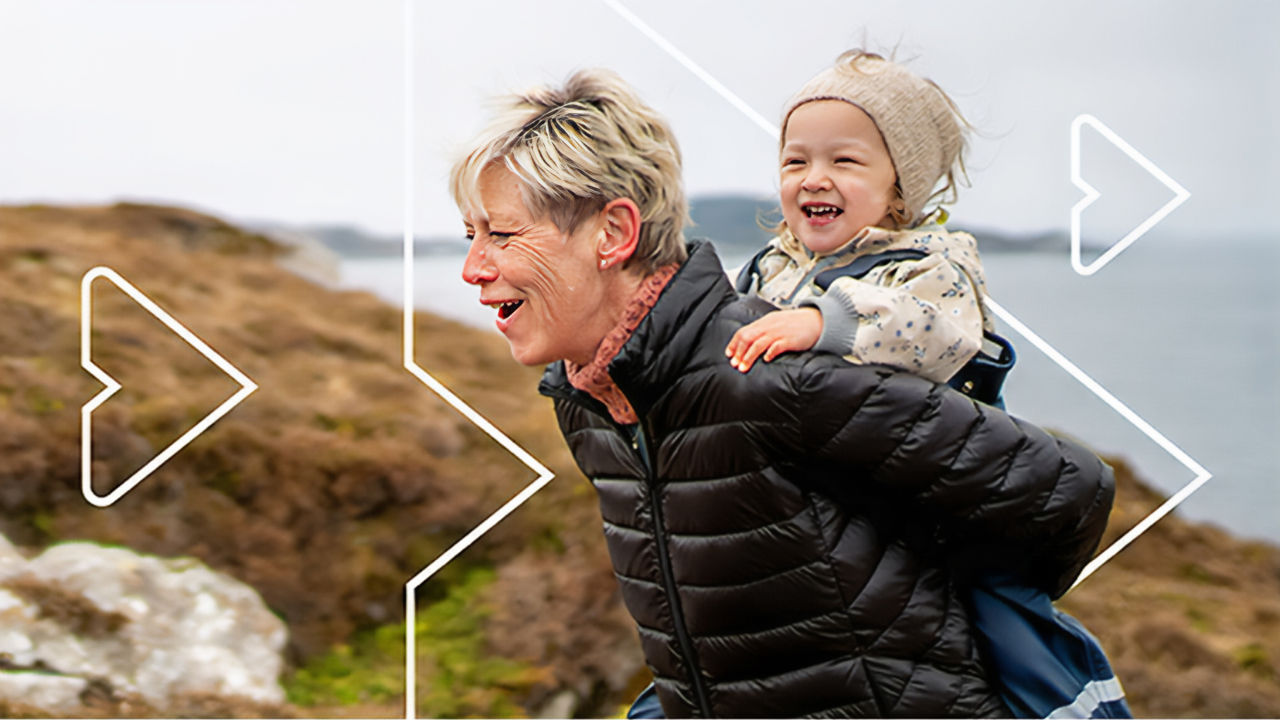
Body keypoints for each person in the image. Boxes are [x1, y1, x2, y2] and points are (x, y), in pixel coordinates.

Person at [451, 67, 1114, 717]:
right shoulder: (594, 400)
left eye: (502, 234)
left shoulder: (766, 372)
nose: (473, 269)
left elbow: (1070, 490)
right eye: (470, 235)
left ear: (616, 233)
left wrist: (946, 603)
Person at [726, 51, 990, 390]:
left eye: (844, 160)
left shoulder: (931, 271)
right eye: (796, 161)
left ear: (899, 188)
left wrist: (826, 323)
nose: (813, 179)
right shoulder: (771, 265)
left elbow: (936, 334)